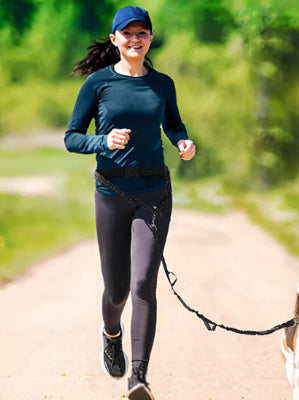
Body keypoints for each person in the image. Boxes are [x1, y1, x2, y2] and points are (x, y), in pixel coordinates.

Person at [64, 6, 196, 400]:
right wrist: (102, 142)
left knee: (142, 284)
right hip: (111, 194)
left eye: (142, 33)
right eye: (128, 34)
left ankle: (138, 377)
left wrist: (182, 141)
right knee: (117, 289)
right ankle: (111, 334)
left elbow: (172, 122)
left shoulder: (162, 84)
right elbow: (72, 137)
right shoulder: (98, 84)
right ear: (114, 39)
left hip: (154, 193)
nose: (135, 40)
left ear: (150, 39)